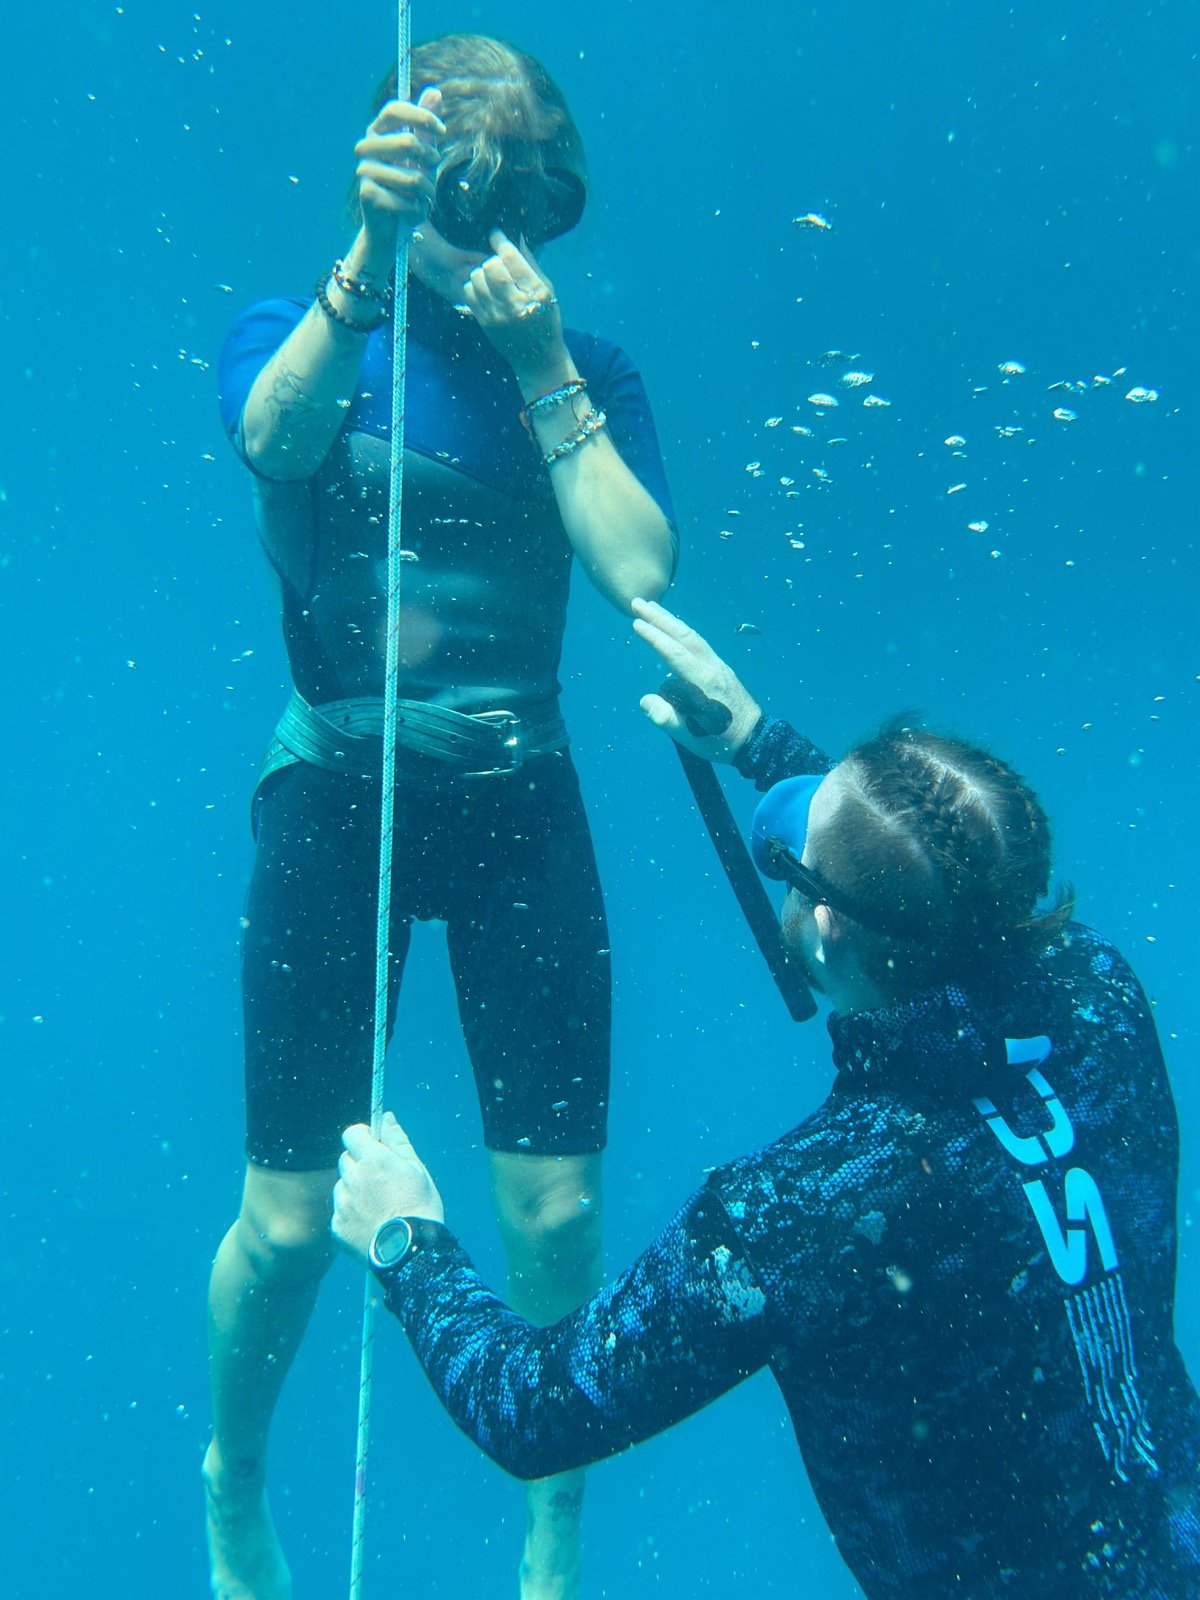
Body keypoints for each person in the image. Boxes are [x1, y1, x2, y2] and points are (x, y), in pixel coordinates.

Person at [332, 599, 1200, 1598]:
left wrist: (410, 1244)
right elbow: (940, 889)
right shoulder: (1103, 1001)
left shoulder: (807, 1210)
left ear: (823, 931)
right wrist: (758, 739)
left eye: (790, 863)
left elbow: (540, 1411)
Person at [206, 36, 675, 1600]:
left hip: (517, 798)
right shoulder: (301, 323)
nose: (493, 207)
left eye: (520, 183)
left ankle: (552, 1515)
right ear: (396, 164)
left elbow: (637, 573)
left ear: (554, 195)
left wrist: (543, 367)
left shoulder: (591, 371)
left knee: (554, 1208)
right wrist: (370, 251)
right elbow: (273, 440)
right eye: (464, 175)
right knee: (283, 1227)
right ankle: (237, 1474)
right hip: (337, 791)